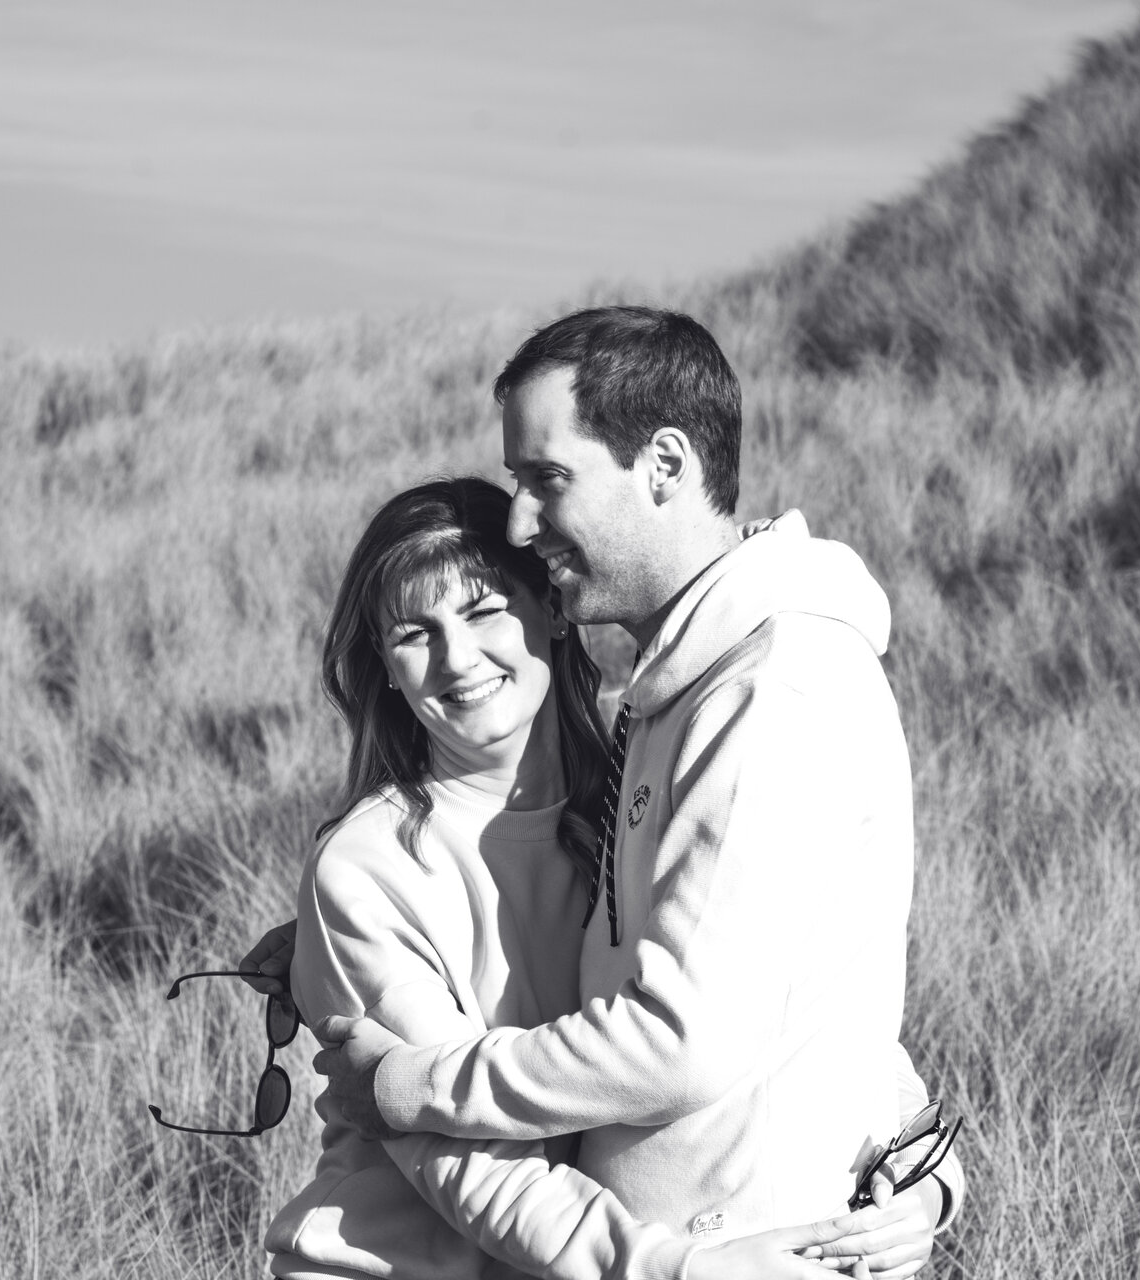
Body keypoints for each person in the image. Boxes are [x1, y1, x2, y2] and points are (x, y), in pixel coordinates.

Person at [307, 307, 960, 1269]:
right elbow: (778, 981)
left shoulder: (765, 689)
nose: (521, 523)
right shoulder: (663, 709)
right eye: (413, 634)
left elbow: (690, 1036)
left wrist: (410, 1085)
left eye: (546, 480)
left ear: (663, 464)